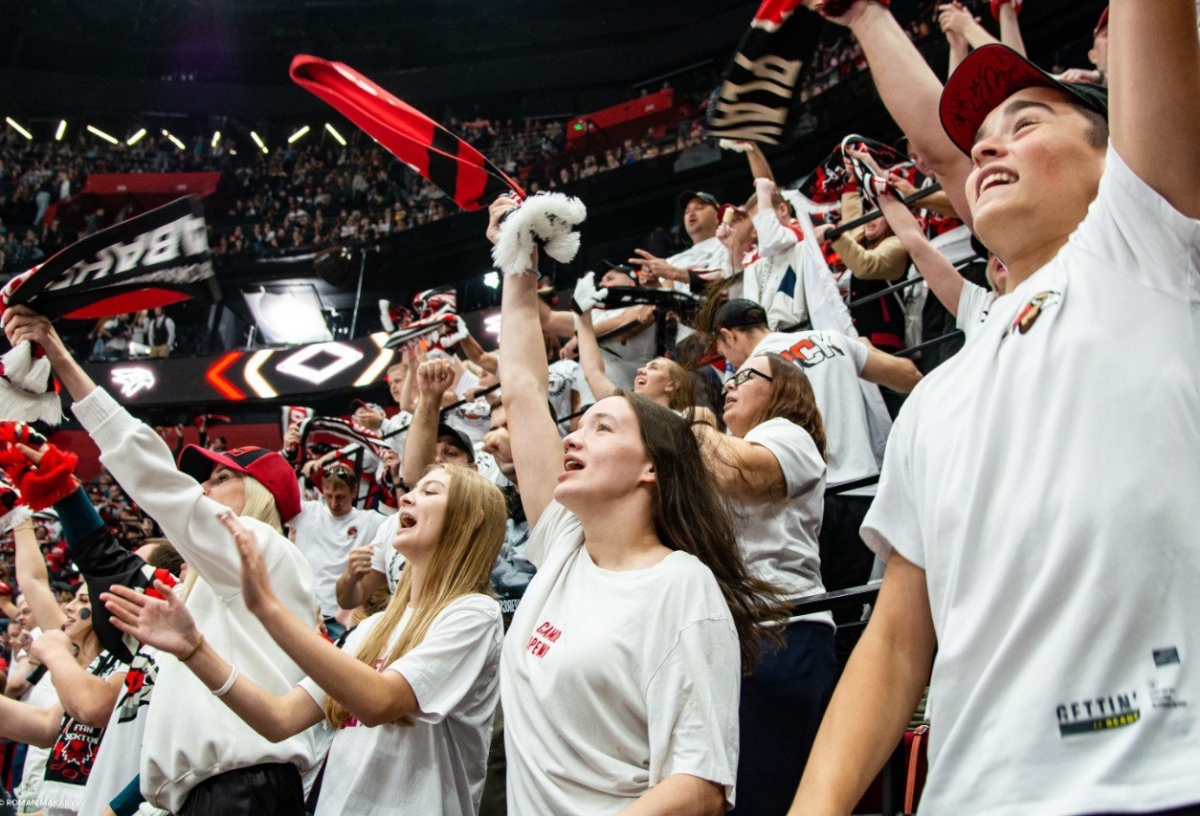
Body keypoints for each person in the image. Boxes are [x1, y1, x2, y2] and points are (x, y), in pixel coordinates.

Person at [792, 1, 1200, 813]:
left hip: (1162, 780)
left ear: (1116, 157)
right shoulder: (938, 396)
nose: (985, 146)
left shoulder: (1143, 248)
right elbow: (898, 640)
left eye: (1028, 121)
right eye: (985, 137)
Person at [490, 194, 785, 813]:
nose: (572, 436)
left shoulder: (683, 587)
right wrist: (517, 259)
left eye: (602, 428)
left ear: (652, 466)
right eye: (580, 426)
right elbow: (520, 389)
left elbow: (699, 790)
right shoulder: (565, 546)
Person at [2, 305, 320, 815]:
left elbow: (156, 478)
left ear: (262, 496)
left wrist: (61, 358)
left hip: (242, 790)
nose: (201, 488)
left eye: (219, 479)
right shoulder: (198, 594)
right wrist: (59, 486)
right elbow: (109, 565)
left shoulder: (263, 548)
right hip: (202, 795)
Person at [104, 464, 507, 816]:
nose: (407, 498)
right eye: (413, 488)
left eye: (430, 491)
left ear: (470, 520)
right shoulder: (371, 629)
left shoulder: (473, 614)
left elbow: (379, 702)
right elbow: (279, 720)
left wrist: (266, 607)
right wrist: (194, 649)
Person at [692, 353, 835, 814]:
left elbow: (741, 474)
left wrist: (697, 425)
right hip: (734, 631)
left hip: (781, 628)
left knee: (762, 792)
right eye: (729, 378)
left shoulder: (788, 434)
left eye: (746, 376)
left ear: (783, 391)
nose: (729, 384)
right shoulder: (723, 446)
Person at [712, 299, 921, 594]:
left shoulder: (750, 374)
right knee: (859, 609)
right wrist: (866, 350)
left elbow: (735, 458)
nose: (731, 365)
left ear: (729, 335)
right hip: (863, 492)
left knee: (816, 609)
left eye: (726, 354)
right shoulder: (831, 339)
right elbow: (909, 376)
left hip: (800, 503)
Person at [571, 272, 718, 427]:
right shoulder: (623, 409)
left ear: (671, 385)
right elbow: (593, 373)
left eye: (653, 367)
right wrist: (583, 315)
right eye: (645, 366)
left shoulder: (685, 420)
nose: (641, 370)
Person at [288, 464, 382, 641]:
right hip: (305, 613)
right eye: (328, 496)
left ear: (354, 492)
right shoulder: (308, 512)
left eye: (340, 497)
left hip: (341, 618)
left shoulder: (369, 520)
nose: (333, 503)